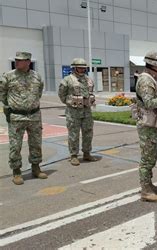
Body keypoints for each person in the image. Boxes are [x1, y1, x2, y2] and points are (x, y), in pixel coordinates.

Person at [0, 51, 48, 185]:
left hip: (34, 115)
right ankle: (16, 171)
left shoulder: (36, 76)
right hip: (16, 115)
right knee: (15, 145)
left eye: (20, 60)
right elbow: (2, 94)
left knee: (36, 143)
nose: (17, 62)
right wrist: (11, 105)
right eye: (16, 59)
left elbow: (38, 93)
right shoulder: (8, 76)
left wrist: (31, 104)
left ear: (28, 62)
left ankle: (36, 167)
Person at [135, 51, 157, 202]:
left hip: (153, 123)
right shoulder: (146, 81)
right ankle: (145, 191)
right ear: (155, 66)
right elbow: (149, 103)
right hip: (147, 125)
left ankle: (149, 185)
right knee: (147, 159)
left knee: (152, 157)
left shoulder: (152, 80)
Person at [58, 58, 99, 166]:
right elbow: (61, 94)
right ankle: (74, 155)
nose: (82, 70)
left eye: (83, 68)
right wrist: (70, 102)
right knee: (73, 134)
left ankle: (87, 153)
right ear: (74, 68)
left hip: (86, 111)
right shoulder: (67, 80)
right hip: (73, 112)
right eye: (80, 68)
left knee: (88, 133)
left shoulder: (89, 80)